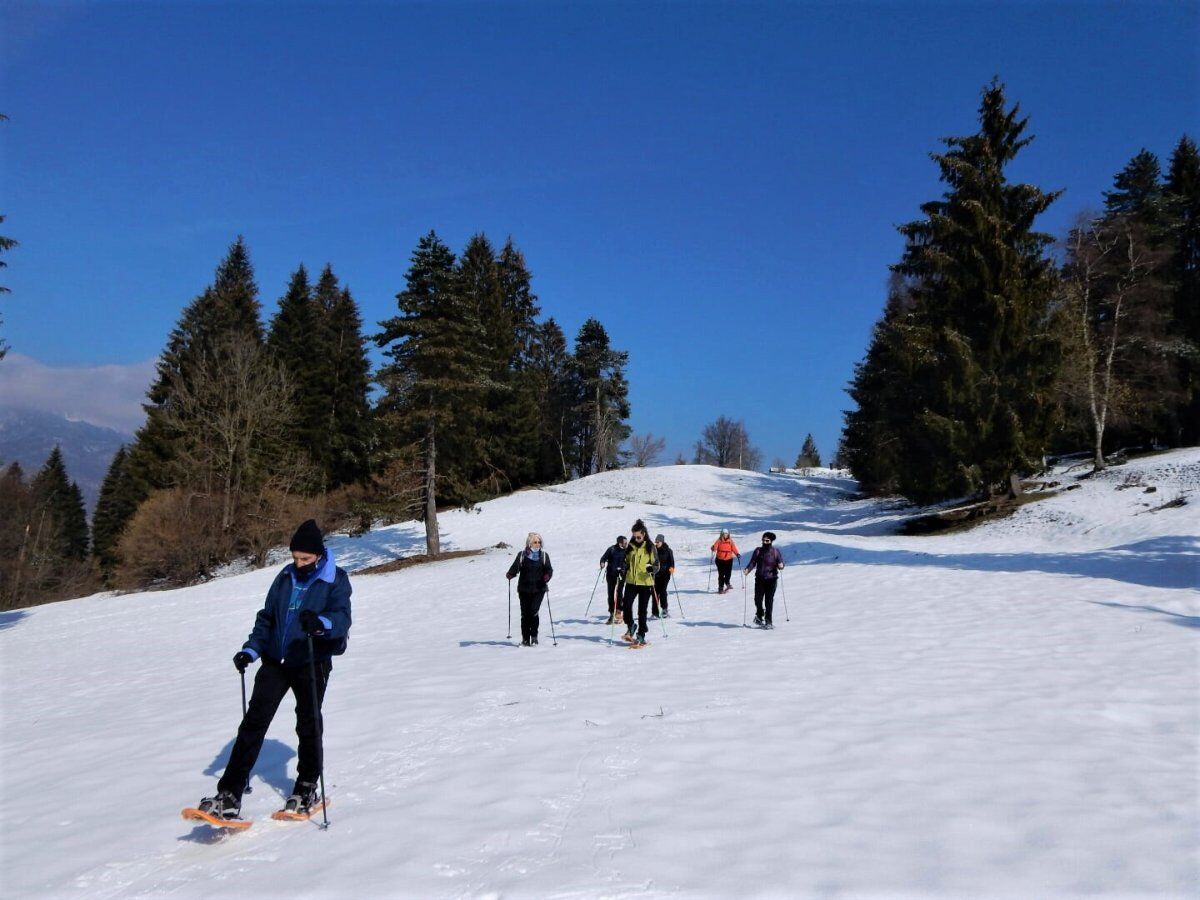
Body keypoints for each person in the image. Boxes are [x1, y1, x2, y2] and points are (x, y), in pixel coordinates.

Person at [195, 519, 352, 820]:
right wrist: (251, 650)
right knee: (253, 724)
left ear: (319, 555)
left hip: (311, 660)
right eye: (295, 557)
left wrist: (321, 624)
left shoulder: (336, 579)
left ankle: (307, 785)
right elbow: (267, 618)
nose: (299, 563)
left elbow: (342, 617)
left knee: (308, 723)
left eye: (305, 558)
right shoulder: (285, 576)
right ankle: (229, 793)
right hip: (275, 661)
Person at [507, 532, 553, 646]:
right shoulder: (522, 555)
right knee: (525, 614)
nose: (537, 544)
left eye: (539, 542)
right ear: (529, 543)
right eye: (535, 542)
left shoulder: (543, 556)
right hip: (524, 589)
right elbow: (515, 567)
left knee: (533, 611)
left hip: (539, 589)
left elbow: (549, 569)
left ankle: (534, 635)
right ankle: (525, 639)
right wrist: (510, 574)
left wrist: (547, 576)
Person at [620, 519, 659, 646]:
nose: (636, 539)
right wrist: (623, 568)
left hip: (645, 582)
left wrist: (651, 569)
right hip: (631, 581)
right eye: (634, 536)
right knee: (626, 606)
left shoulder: (650, 547)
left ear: (644, 534)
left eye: (639, 537)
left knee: (642, 611)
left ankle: (641, 634)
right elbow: (625, 561)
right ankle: (631, 625)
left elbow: (657, 565)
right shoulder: (630, 547)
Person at [744, 531, 785, 628]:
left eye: (767, 541)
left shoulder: (775, 551)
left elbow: (781, 562)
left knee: (769, 600)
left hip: (772, 579)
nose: (764, 542)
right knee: (757, 599)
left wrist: (781, 565)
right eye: (763, 540)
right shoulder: (758, 551)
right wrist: (747, 569)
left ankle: (768, 621)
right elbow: (753, 562)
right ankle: (759, 615)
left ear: (771, 541)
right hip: (760, 579)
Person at [599, 535, 628, 625]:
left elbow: (629, 562)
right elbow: (603, 558)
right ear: (620, 543)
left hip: (621, 575)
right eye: (625, 543)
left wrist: (624, 569)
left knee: (619, 592)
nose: (626, 544)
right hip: (611, 574)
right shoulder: (611, 549)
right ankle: (612, 613)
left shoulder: (627, 551)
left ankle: (619, 611)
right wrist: (602, 563)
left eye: (626, 542)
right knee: (610, 594)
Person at [652, 533, 675, 617]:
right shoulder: (654, 550)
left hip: (665, 574)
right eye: (656, 542)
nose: (656, 543)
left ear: (662, 542)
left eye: (658, 542)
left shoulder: (668, 550)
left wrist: (672, 567)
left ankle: (664, 609)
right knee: (655, 592)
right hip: (656, 574)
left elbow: (671, 561)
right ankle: (654, 611)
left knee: (662, 591)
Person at [711, 529, 741, 594]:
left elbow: (733, 548)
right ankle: (720, 588)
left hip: (729, 559)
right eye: (724, 533)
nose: (725, 535)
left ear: (728, 534)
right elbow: (715, 548)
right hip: (720, 560)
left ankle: (727, 583)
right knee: (721, 574)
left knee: (728, 573)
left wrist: (737, 554)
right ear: (722, 534)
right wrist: (713, 548)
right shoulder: (719, 541)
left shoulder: (730, 541)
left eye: (726, 533)